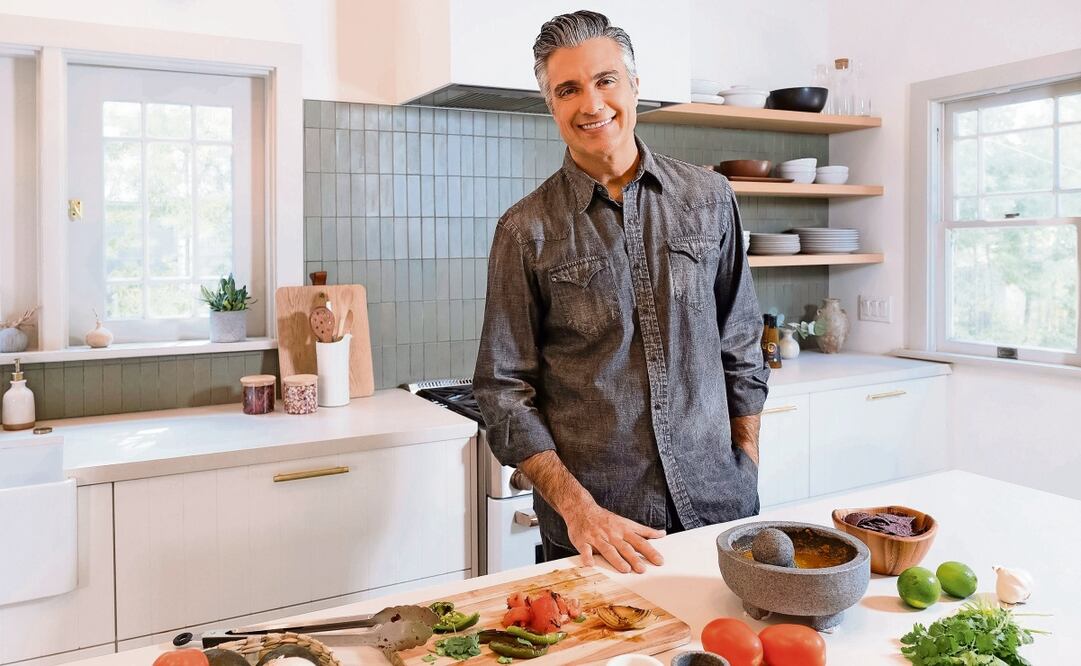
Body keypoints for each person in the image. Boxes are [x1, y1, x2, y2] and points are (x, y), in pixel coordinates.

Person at [473, 10, 769, 575]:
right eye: (568, 89)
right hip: (597, 534)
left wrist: (745, 460)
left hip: (721, 510)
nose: (592, 103)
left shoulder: (709, 197)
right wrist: (579, 511)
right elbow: (503, 391)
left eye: (606, 79)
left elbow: (741, 341)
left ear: (635, 85)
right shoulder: (524, 230)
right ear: (551, 106)